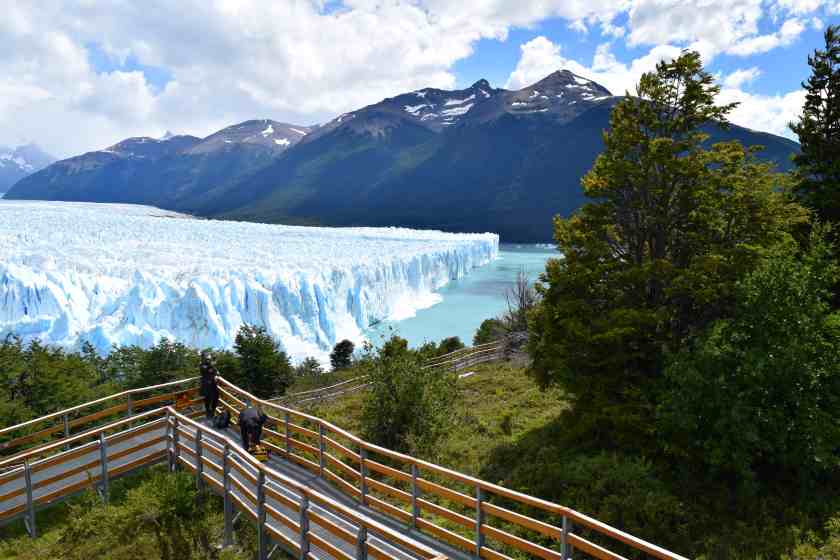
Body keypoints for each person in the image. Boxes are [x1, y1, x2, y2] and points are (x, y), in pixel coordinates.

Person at [199, 351, 220, 419]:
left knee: (216, 398)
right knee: (207, 400)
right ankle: (208, 413)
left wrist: (216, 375)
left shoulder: (210, 365)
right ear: (203, 358)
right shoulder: (202, 365)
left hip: (213, 384)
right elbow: (206, 369)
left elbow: (216, 372)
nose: (208, 359)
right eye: (207, 358)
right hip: (206, 385)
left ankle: (212, 412)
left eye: (209, 358)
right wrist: (213, 363)